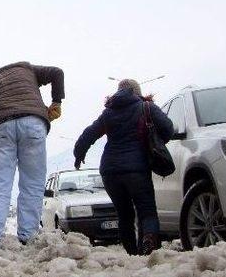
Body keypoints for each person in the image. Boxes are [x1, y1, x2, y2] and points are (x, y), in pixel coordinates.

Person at [74, 79, 173, 256]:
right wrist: (156, 141)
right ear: (137, 91)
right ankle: (149, 244)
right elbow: (168, 128)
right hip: (137, 169)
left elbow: (89, 134)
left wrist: (78, 155)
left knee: (124, 215)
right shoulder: (146, 107)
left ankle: (132, 254)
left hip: (110, 171)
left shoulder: (108, 113)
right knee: (147, 211)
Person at [0, 61, 64, 250]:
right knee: (32, 183)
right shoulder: (26, 69)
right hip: (33, 123)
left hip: (0, 128)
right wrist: (56, 102)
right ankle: (28, 237)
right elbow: (57, 72)